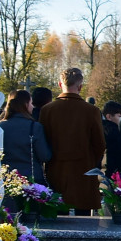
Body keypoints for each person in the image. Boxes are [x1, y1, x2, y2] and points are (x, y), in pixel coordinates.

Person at [39, 68, 106, 214]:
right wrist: (91, 160)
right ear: (80, 86)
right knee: (84, 215)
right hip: (84, 168)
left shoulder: (47, 110)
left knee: (57, 211)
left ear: (59, 84)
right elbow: (99, 144)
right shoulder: (91, 111)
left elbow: (43, 140)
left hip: (56, 167)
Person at [0, 90, 52, 186]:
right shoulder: (34, 127)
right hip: (32, 180)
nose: (32, 106)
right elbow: (44, 155)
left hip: (6, 180)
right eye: (31, 103)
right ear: (25, 104)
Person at [101, 100, 121, 179]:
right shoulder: (114, 132)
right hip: (112, 173)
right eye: (119, 116)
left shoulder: (100, 129)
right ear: (109, 117)